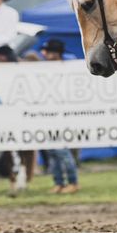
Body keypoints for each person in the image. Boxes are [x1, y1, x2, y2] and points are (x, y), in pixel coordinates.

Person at [40, 39, 79, 193]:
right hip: (51, 114)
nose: (45, 54)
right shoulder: (48, 68)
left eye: (48, 52)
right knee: (52, 151)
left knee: (62, 151)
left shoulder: (67, 67)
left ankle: (72, 182)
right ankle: (59, 182)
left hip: (64, 114)